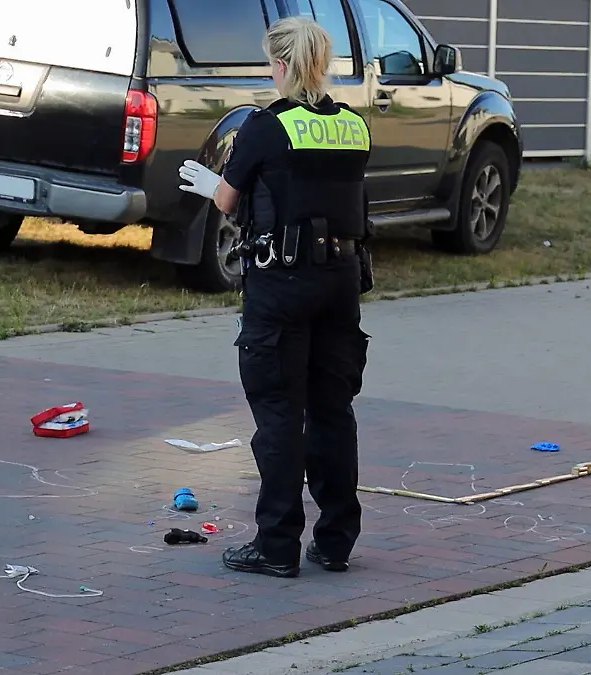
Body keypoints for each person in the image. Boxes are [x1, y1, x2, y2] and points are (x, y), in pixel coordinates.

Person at [178, 16, 373, 578]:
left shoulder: (268, 125)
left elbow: (230, 199)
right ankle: (336, 541)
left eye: (272, 62)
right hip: (341, 283)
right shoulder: (355, 127)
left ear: (282, 65)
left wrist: (206, 183)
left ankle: (277, 545)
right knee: (333, 413)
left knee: (281, 413)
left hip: (282, 285)